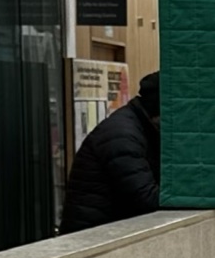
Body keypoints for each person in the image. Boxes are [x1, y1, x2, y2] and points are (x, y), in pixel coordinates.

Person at [59, 70, 161, 233]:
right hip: (91, 240)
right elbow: (147, 199)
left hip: (104, 232)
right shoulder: (122, 135)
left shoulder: (139, 127)